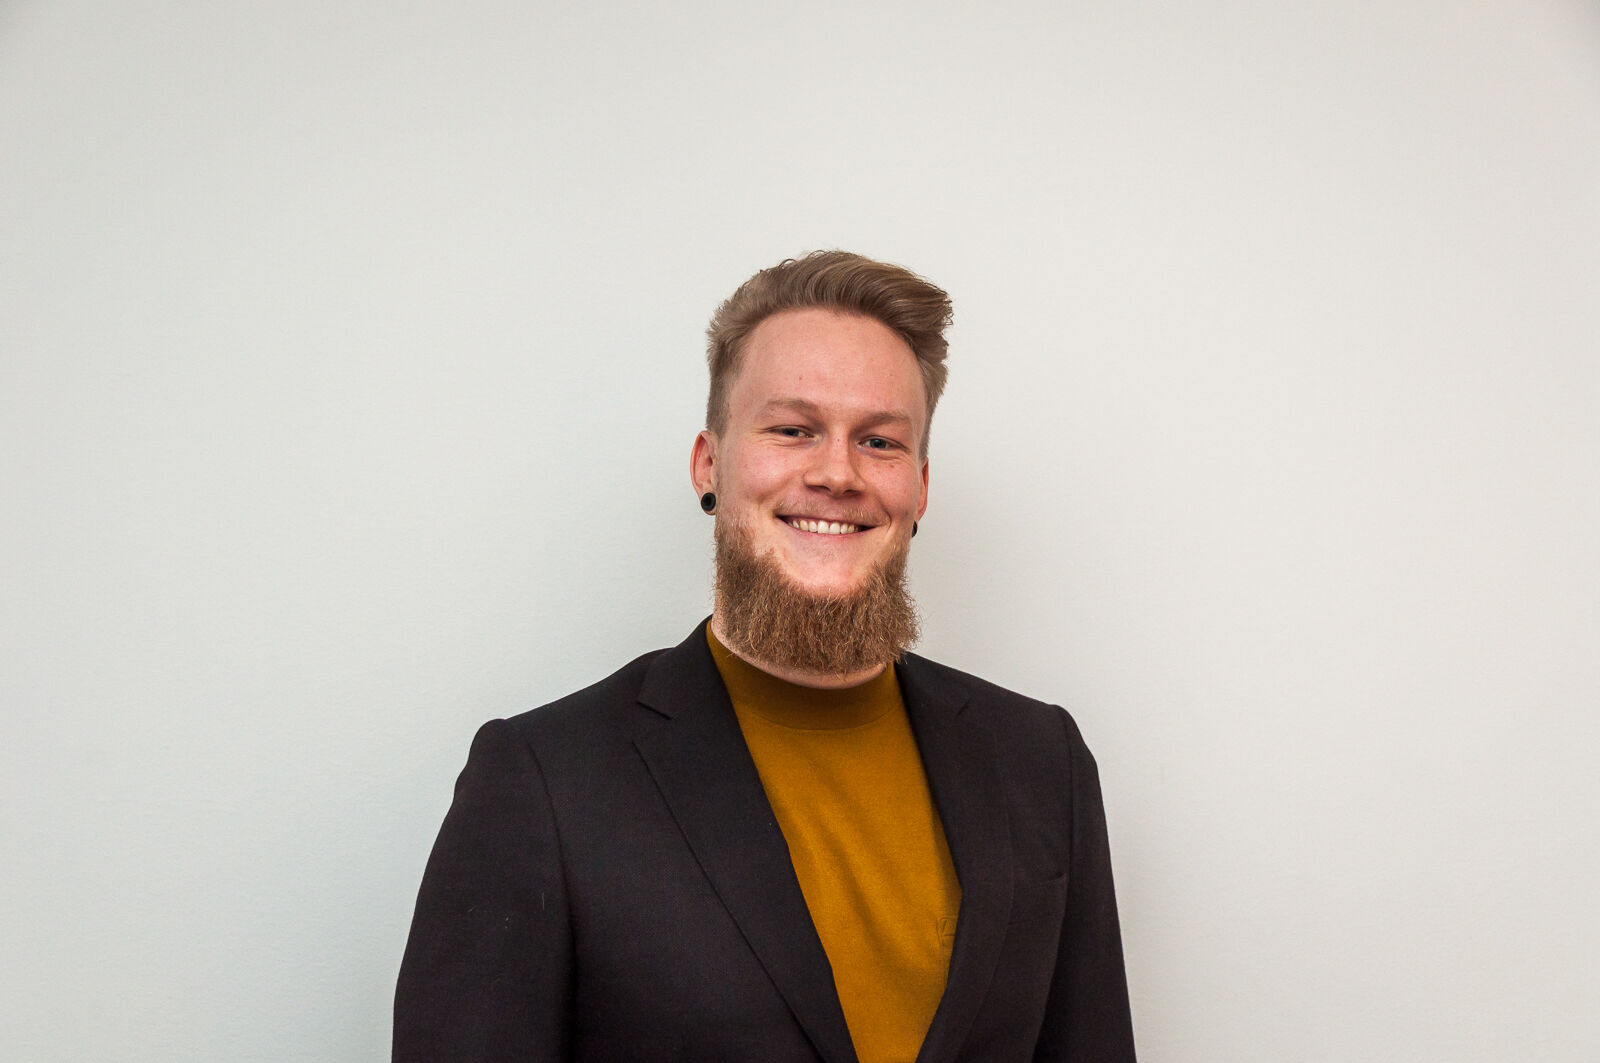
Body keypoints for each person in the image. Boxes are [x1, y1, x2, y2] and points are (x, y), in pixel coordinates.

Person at [393, 251, 1137, 1062]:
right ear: (709, 463)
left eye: (879, 440)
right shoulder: (543, 781)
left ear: (920, 486)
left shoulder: (1043, 765)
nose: (838, 472)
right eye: (793, 430)